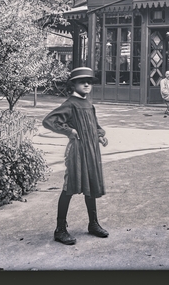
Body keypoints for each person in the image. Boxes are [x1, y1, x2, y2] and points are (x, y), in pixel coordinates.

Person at [42, 66, 109, 245]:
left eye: (89, 81)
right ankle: (60, 229)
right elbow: (49, 121)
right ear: (73, 85)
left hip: (92, 151)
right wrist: (69, 131)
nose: (87, 84)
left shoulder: (89, 104)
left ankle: (93, 224)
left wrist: (100, 136)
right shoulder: (70, 104)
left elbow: (95, 125)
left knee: (92, 185)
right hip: (77, 153)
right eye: (82, 81)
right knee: (69, 188)